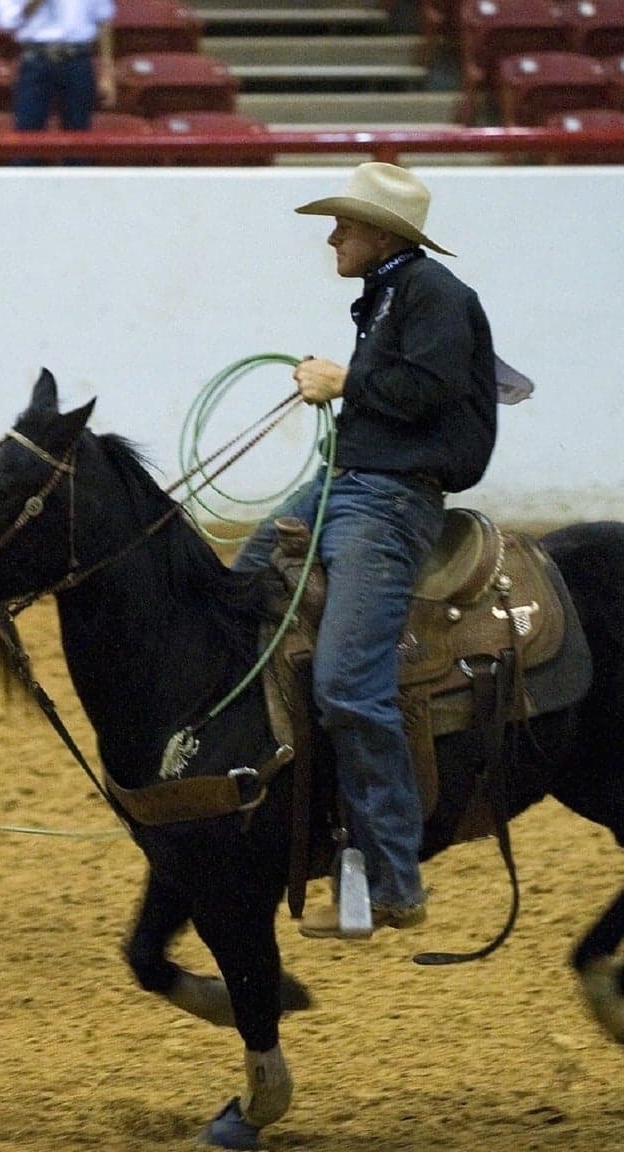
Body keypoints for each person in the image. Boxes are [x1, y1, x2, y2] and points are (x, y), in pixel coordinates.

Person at [233, 162, 498, 937]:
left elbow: (430, 390)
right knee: (240, 586)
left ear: (381, 233)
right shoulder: (389, 296)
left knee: (351, 684)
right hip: (345, 484)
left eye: (343, 225)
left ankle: (395, 880)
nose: (332, 236)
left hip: (388, 502)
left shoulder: (436, 295)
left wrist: (346, 381)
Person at [0, 0, 117, 134]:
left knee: (79, 136)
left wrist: (107, 72)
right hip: (36, 61)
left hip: (77, 61)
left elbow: (104, 18)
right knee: (28, 135)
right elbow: (5, 22)